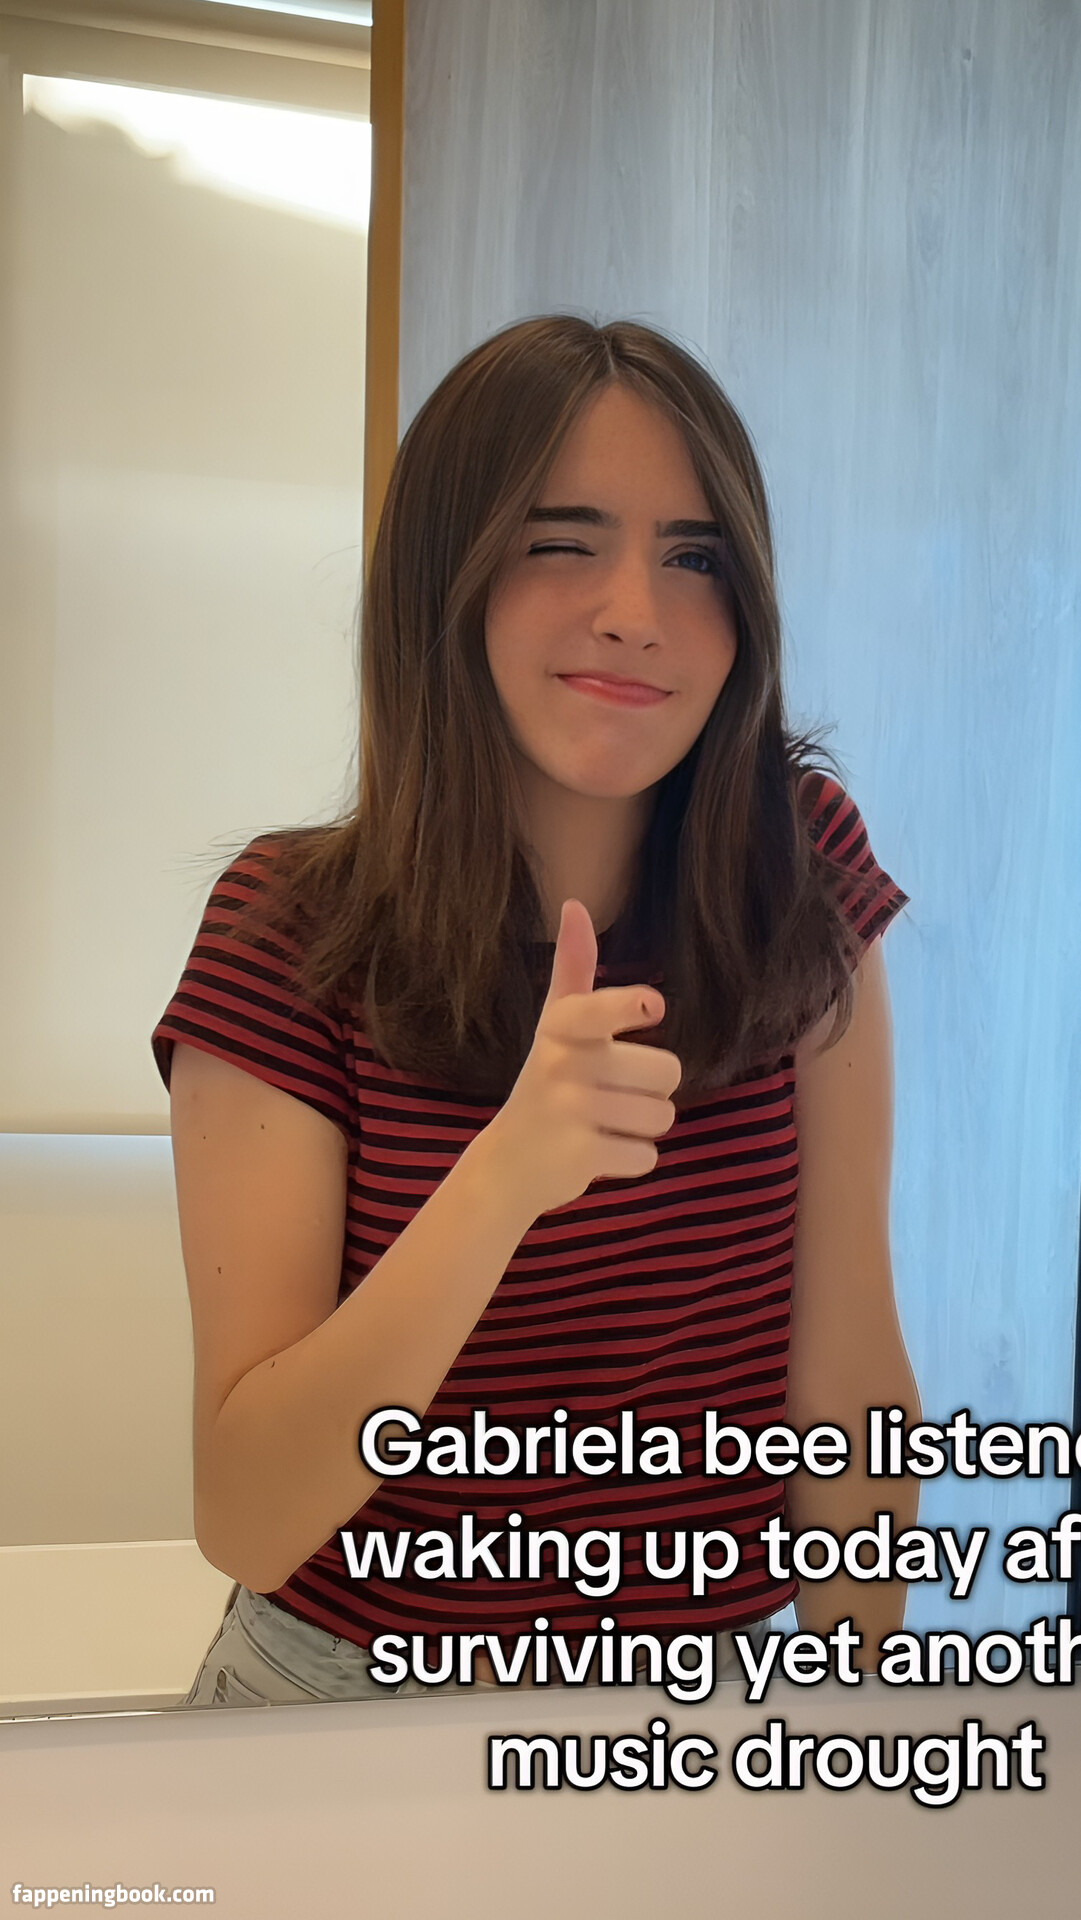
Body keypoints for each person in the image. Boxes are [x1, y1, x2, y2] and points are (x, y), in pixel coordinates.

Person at [152, 315, 920, 1710]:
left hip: (712, 1693)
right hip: (353, 1697)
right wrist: (501, 1179)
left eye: (695, 557)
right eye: (561, 542)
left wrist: (867, 1729)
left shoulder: (799, 869)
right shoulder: (291, 931)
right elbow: (249, 1516)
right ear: (446, 578)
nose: (635, 608)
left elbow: (848, 1362)